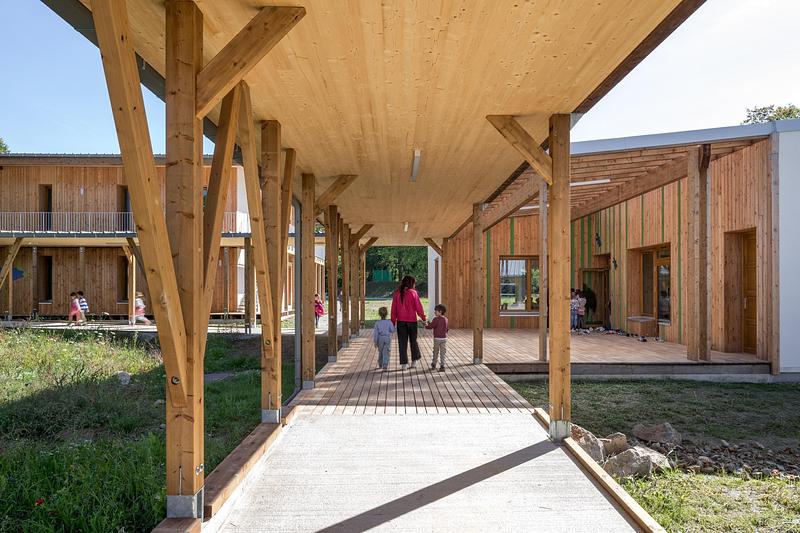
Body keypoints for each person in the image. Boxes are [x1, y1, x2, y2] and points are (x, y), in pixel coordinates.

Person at [390, 275, 426, 370]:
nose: (415, 285)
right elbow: (418, 307)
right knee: (413, 341)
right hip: (412, 322)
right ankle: (414, 362)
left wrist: (393, 322)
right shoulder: (413, 293)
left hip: (401, 322)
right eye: (414, 283)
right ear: (411, 283)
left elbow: (393, 310)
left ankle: (404, 364)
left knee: (402, 343)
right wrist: (423, 318)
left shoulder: (396, 293)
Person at [425, 304, 449, 372]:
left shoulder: (436, 319)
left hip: (437, 339)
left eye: (436, 311)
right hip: (444, 338)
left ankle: (434, 364)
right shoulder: (446, 319)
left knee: (435, 351)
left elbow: (431, 326)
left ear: (440, 312)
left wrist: (426, 325)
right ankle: (442, 366)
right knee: (443, 352)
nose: (434, 312)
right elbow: (447, 328)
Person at [372, 306, 395, 371]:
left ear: (379, 314)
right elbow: (392, 330)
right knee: (386, 351)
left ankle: (380, 364)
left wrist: (375, 342)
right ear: (387, 314)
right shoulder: (389, 322)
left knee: (380, 351)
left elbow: (375, 334)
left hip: (380, 338)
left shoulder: (377, 323)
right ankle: (385, 365)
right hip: (387, 338)